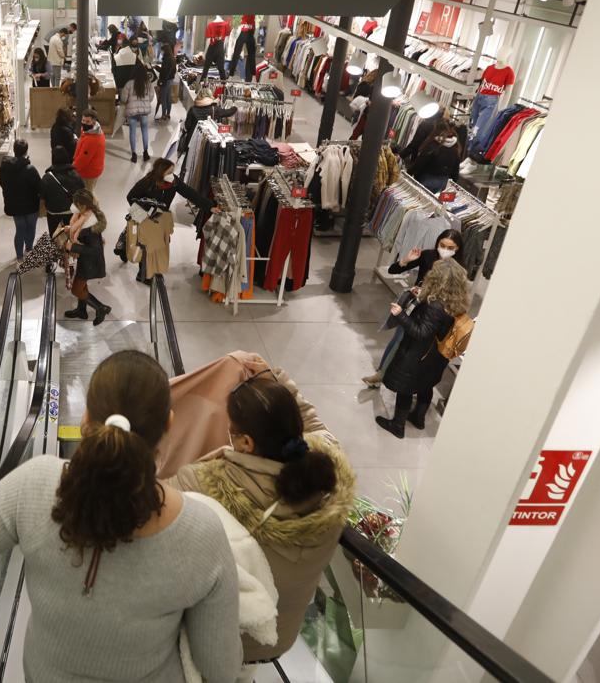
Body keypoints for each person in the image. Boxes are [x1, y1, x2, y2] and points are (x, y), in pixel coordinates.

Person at [0, 350, 240, 682]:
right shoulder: (201, 531)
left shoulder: (33, 485)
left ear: (86, 417)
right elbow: (220, 669)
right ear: (169, 424)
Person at [166, 371, 353, 675]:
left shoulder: (205, 484)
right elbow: (318, 428)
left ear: (246, 442)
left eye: (232, 431)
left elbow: (151, 500)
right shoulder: (330, 482)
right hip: (281, 636)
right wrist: (279, 381)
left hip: (226, 637)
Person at [375, 258, 472, 438]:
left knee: (406, 389)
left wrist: (401, 315)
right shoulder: (456, 302)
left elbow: (421, 332)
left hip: (418, 355)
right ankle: (418, 418)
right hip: (436, 357)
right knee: (425, 385)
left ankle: (397, 425)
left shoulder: (435, 305)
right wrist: (421, 296)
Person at [363, 230, 463, 388]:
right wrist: (406, 260)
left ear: (458, 248)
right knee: (398, 340)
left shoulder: (458, 267)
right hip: (415, 308)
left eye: (451, 247)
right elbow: (393, 270)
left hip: (437, 315)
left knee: (424, 351)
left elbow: (457, 295)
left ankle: (412, 383)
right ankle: (382, 373)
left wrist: (431, 295)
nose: (445, 250)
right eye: (442, 245)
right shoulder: (428, 255)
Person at [126, 158, 215, 284]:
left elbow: (190, 193)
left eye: (172, 171)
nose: (172, 175)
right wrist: (144, 211)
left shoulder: (174, 182)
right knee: (147, 246)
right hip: (145, 219)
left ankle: (153, 269)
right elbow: (130, 197)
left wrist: (209, 206)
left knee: (160, 244)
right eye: (169, 172)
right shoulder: (147, 182)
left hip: (161, 219)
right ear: (160, 172)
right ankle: (143, 274)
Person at [62, 189, 112, 325]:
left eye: (76, 204)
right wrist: (69, 229)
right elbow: (78, 232)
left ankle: (101, 308)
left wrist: (72, 247)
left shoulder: (90, 225)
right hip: (85, 261)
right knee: (82, 287)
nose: (73, 206)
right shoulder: (84, 215)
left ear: (82, 205)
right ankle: (81, 310)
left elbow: (94, 250)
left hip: (90, 263)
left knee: (76, 289)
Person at [0, 139, 42, 263]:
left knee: (20, 229)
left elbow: (2, 183)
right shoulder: (30, 169)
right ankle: (29, 249)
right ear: (26, 151)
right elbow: (39, 187)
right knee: (31, 228)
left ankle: (19, 258)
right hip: (31, 205)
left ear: (14, 150)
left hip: (14, 205)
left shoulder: (5, 168)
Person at [178, 89, 237, 160]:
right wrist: (235, 106)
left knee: (189, 158)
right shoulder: (214, 109)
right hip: (207, 141)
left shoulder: (193, 109)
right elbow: (228, 112)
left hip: (192, 139)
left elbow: (187, 126)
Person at [408, 122, 464, 193]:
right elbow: (455, 170)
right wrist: (452, 184)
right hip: (443, 182)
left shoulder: (433, 145)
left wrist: (408, 173)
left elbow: (420, 163)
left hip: (426, 179)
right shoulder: (455, 148)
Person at [42, 145, 85, 237]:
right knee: (71, 236)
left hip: (53, 213)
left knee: (55, 236)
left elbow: (42, 195)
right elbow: (82, 193)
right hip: (71, 212)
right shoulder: (76, 175)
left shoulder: (47, 177)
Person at [122, 63, 156, 163]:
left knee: (132, 131)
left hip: (132, 110)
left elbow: (124, 98)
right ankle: (145, 152)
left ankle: (134, 154)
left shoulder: (129, 83)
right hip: (144, 112)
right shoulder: (148, 83)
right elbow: (151, 97)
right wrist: (145, 102)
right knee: (144, 131)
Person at [73, 109, 106, 192]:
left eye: (87, 121)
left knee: (87, 195)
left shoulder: (92, 139)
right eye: (83, 120)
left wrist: (73, 168)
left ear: (93, 122)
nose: (84, 123)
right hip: (92, 169)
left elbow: (83, 159)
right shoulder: (92, 131)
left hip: (89, 172)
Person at [156, 46, 177, 121]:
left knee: (163, 98)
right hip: (170, 80)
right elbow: (174, 70)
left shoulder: (166, 59)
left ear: (165, 51)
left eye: (162, 51)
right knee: (168, 98)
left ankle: (163, 115)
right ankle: (168, 114)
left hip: (165, 80)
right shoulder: (173, 58)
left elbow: (164, 71)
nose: (161, 52)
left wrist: (157, 68)